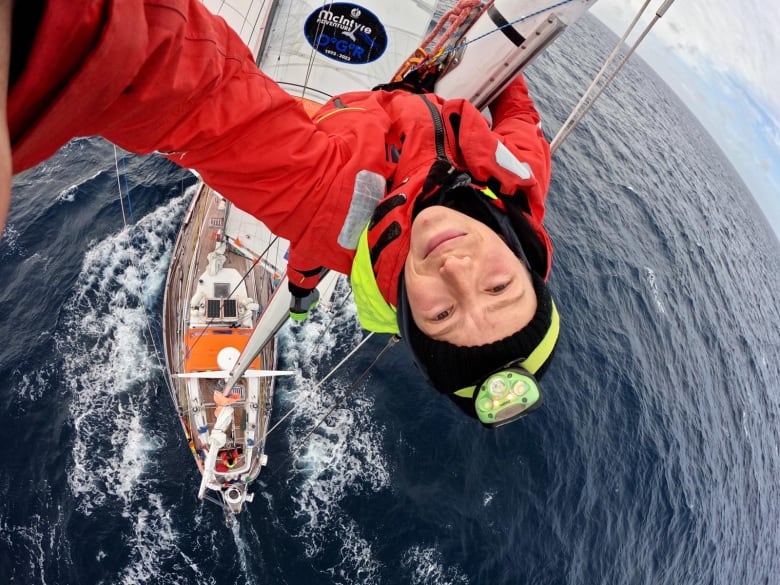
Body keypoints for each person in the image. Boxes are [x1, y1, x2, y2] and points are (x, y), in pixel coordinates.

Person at [2, 0, 559, 427]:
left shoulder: (327, 202)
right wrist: (501, 51)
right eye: (499, 288)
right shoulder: (522, 178)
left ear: (409, 316)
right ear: (524, 259)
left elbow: (183, 89)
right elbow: (519, 111)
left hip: (340, 117)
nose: (458, 270)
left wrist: (41, 31)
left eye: (442, 317)